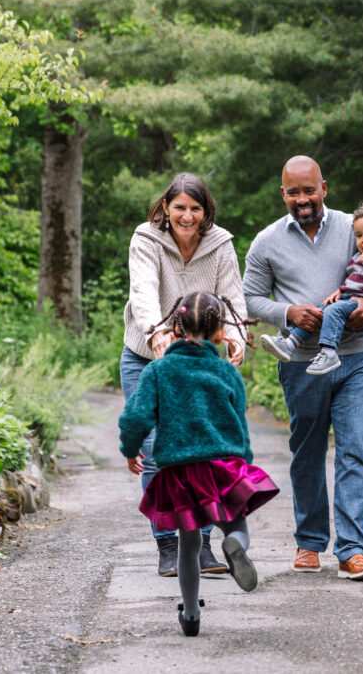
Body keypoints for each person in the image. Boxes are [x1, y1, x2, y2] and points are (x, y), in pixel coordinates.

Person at [242, 156, 363, 582]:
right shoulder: (266, 242)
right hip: (301, 364)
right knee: (307, 453)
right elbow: (248, 298)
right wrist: (288, 312)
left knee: (356, 449)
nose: (303, 199)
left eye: (309, 190)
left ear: (325, 187)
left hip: (357, 359)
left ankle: (354, 552)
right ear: (282, 194)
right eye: (293, 192)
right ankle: (309, 542)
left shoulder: (357, 226)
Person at [119, 292, 279, 637]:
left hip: (179, 471)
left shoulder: (159, 370)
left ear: (175, 330)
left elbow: (136, 417)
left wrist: (130, 449)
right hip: (222, 466)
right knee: (237, 527)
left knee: (188, 544)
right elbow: (239, 425)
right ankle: (235, 545)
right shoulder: (226, 372)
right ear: (221, 334)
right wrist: (244, 465)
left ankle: (191, 614)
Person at [121, 172, 247, 577]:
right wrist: (156, 332)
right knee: (160, 455)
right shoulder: (146, 238)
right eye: (180, 208)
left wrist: (236, 335)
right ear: (166, 208)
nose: (187, 216)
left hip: (201, 361)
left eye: (195, 208)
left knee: (202, 453)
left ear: (205, 211)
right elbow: (142, 289)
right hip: (148, 356)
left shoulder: (220, 244)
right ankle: (168, 546)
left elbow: (232, 294)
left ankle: (203, 544)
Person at [259, 200, 363, 375]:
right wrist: (340, 290)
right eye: (359, 235)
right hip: (347, 298)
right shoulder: (358, 257)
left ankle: (329, 353)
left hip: (362, 304)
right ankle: (289, 344)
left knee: (333, 312)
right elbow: (353, 280)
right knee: (316, 313)